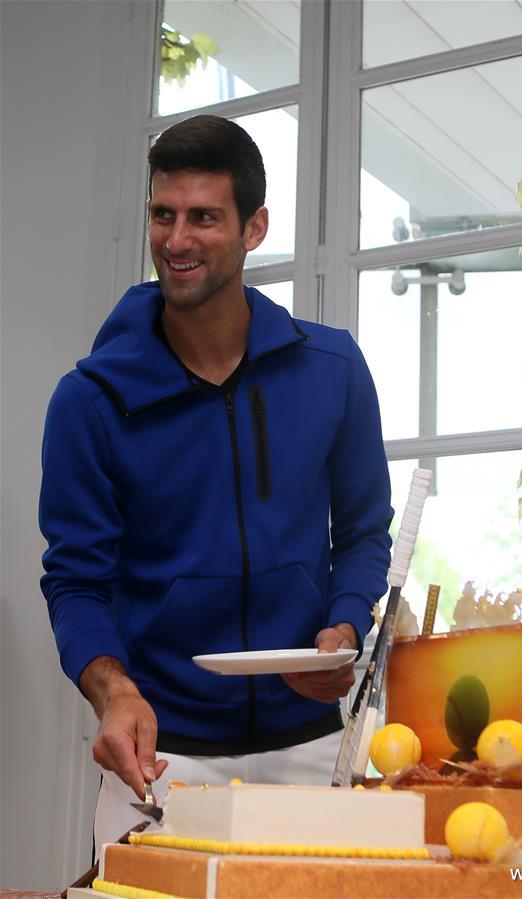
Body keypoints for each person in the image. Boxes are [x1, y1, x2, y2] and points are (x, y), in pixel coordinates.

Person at [39, 115, 393, 850]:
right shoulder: (89, 401)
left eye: (204, 217)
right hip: (163, 758)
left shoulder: (334, 370)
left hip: (315, 749)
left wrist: (345, 625)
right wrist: (115, 690)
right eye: (163, 215)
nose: (177, 241)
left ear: (254, 227)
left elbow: (362, 533)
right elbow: (75, 581)